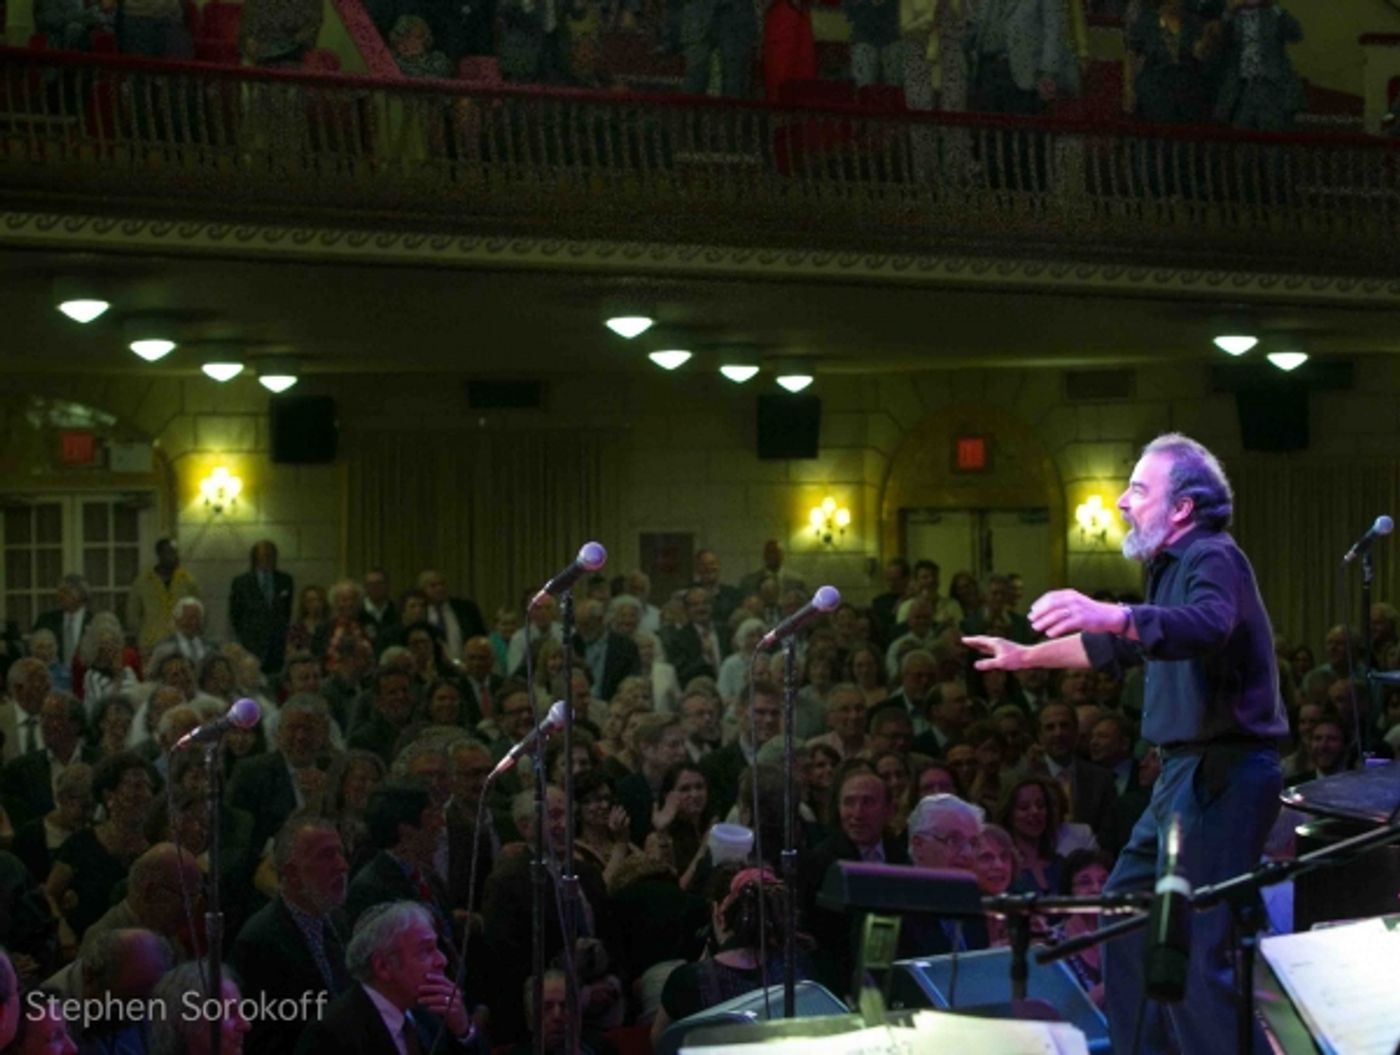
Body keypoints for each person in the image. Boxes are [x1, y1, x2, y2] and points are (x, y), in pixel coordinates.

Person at [965, 432, 1287, 1055]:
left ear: (1183, 507)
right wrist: (1027, 657)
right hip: (1179, 778)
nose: (1120, 502)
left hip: (1222, 773)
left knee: (1192, 940)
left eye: (1138, 489)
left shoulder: (1214, 556)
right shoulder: (1170, 567)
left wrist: (1111, 612)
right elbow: (1119, 645)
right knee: (1127, 913)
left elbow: (1207, 625)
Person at [295, 900, 475, 1054]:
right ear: (383, 967)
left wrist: (463, 1032)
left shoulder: (429, 1013)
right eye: (425, 951)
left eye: (436, 948)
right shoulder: (332, 1035)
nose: (442, 960)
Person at [230, 540, 295, 677]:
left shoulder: (285, 581)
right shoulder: (241, 582)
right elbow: (235, 616)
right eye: (263, 555)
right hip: (252, 646)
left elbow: (287, 612)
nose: (267, 559)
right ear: (255, 557)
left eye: (271, 555)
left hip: (277, 648)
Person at [126, 539, 200, 655]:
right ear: (159, 554)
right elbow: (132, 614)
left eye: (175, 552)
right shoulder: (143, 581)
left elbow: (200, 610)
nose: (173, 556)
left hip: (181, 644)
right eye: (169, 552)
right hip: (151, 645)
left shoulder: (187, 580)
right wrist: (146, 633)